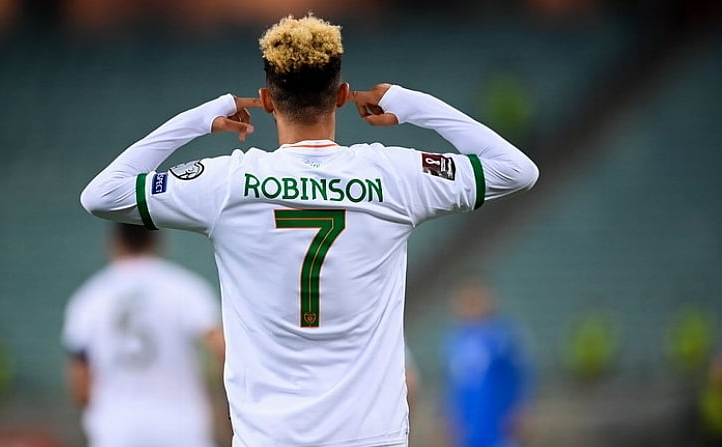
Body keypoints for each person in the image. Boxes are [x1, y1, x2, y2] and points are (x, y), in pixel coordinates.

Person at [80, 14, 539, 447]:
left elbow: (102, 194)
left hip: (269, 437)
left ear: (265, 100)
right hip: (370, 435)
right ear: (341, 95)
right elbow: (516, 170)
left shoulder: (229, 182)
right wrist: (409, 104)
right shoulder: (392, 175)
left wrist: (204, 117)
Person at [61, 223, 225, 447]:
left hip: (116, 428)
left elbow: (80, 376)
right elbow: (220, 347)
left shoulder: (90, 297)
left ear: (114, 243)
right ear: (157, 242)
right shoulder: (185, 288)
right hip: (180, 426)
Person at [441, 278, 533, 447]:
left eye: (475, 300)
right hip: (468, 432)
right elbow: (452, 387)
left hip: (499, 429)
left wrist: (519, 413)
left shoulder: (502, 337)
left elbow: (522, 377)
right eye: (465, 301)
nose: (470, 306)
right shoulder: (454, 341)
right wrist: (450, 420)